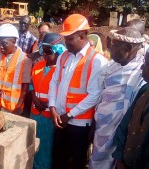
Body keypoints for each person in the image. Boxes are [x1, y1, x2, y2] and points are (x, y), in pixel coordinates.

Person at [48, 14, 107, 169]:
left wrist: (69, 114)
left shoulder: (97, 60)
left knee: (76, 162)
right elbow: (54, 81)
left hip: (79, 124)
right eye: (65, 38)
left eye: (70, 39)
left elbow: (94, 95)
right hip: (60, 119)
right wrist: (52, 107)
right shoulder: (63, 57)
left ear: (82, 35)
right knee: (58, 159)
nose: (66, 42)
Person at [89, 27, 146, 169]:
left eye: (114, 45)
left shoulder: (140, 75)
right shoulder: (111, 66)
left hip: (121, 134)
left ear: (127, 47)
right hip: (101, 127)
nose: (109, 47)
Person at [113, 40, 149, 169]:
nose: (141, 67)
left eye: (148, 64)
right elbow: (125, 124)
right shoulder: (146, 90)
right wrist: (120, 158)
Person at [30, 33, 66, 169]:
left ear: (58, 51)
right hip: (35, 114)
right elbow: (31, 84)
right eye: (43, 51)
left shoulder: (62, 71)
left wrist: (49, 104)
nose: (44, 55)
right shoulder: (38, 66)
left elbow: (63, 93)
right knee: (33, 144)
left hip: (49, 117)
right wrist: (34, 97)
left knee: (46, 147)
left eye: (48, 52)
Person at [0, 24, 32, 115]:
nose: (0, 46)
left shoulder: (24, 59)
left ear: (14, 41)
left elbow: (25, 88)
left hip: (13, 108)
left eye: (4, 43)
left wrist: (18, 107)